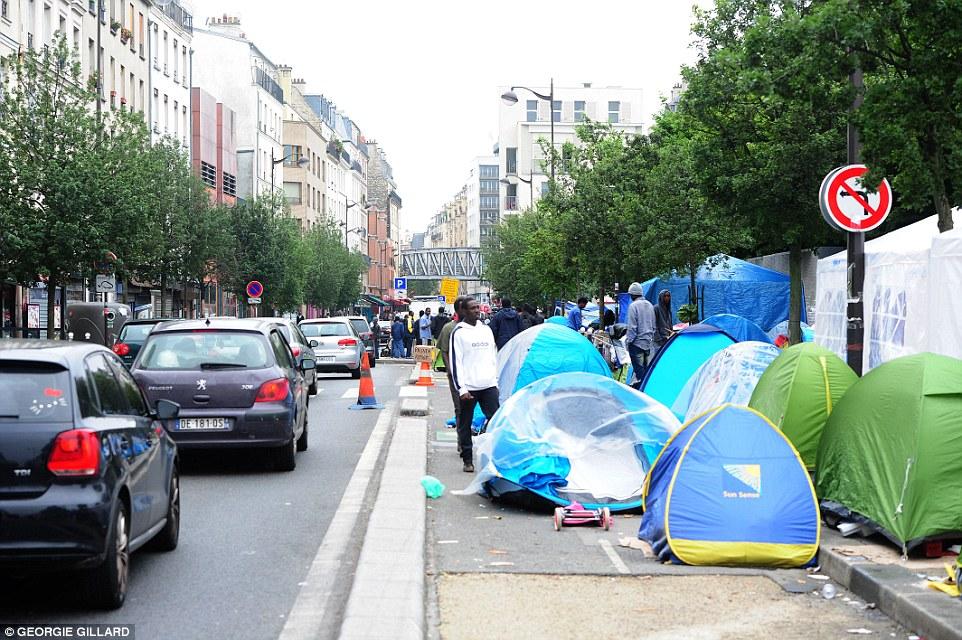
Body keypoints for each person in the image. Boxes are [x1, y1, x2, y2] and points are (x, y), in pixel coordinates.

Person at [449, 297, 500, 473]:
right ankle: (467, 459)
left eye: (478, 307)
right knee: (465, 423)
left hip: (488, 385)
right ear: (463, 311)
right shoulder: (459, 332)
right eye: (472, 308)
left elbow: (493, 356)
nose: (477, 311)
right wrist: (461, 389)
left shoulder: (486, 330)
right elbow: (456, 362)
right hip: (469, 388)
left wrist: (495, 380)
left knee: (495, 420)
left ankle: (495, 457)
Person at [438, 296, 466, 422]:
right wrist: (450, 371)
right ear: (459, 310)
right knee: (459, 406)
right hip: (456, 374)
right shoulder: (449, 328)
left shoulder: (478, 328)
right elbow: (444, 351)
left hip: (473, 373)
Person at [625, 282, 656, 389]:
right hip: (648, 343)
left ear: (632, 295)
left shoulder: (633, 306)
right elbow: (653, 326)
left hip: (636, 344)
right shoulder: (650, 305)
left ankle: (643, 393)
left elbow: (632, 327)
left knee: (640, 373)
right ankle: (647, 389)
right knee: (646, 371)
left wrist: (628, 342)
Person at [653, 289, 673, 356]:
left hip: (668, 339)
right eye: (665, 296)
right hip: (659, 341)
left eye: (668, 296)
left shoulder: (668, 309)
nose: (667, 298)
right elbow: (654, 325)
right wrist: (659, 338)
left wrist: (671, 334)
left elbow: (670, 324)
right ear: (661, 297)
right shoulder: (656, 308)